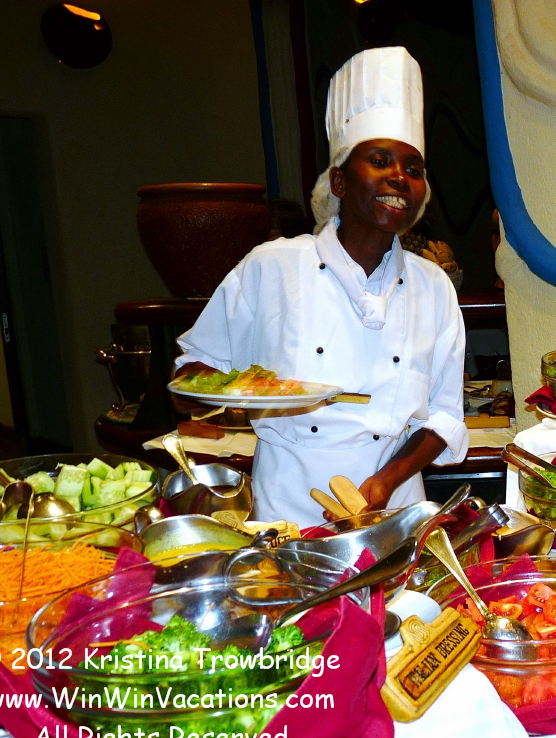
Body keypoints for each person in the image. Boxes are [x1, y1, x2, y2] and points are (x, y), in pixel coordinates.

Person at [174, 47, 468, 528]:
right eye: (380, 160)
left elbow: (444, 416)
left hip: (393, 512)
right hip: (286, 513)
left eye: (413, 169)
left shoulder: (433, 287)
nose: (399, 177)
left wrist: (386, 481)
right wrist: (200, 391)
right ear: (339, 181)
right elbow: (195, 368)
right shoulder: (272, 267)